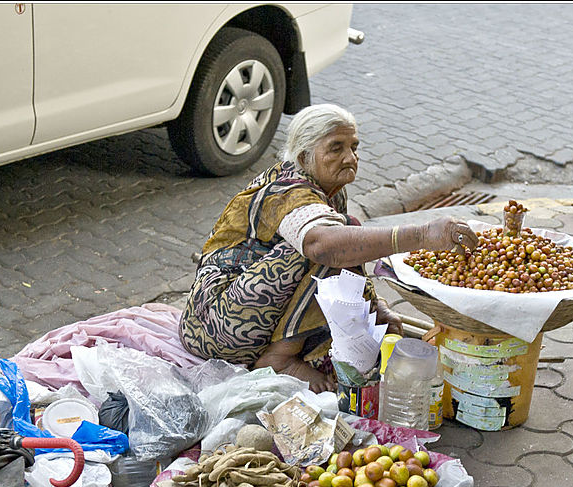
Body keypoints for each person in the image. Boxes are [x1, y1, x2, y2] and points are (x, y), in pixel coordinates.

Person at [179, 104, 477, 393]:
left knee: (346, 234)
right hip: (216, 325)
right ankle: (280, 358)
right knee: (325, 244)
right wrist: (422, 234)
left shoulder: (330, 191)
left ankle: (293, 346)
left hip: (249, 311)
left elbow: (352, 249)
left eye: (354, 147)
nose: (350, 157)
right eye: (336, 148)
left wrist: (377, 307)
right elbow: (325, 248)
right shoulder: (288, 190)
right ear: (305, 155)